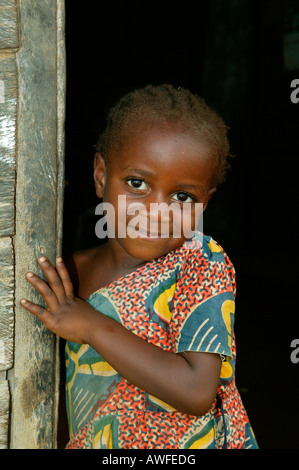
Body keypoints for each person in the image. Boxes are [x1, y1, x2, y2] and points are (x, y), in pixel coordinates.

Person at [20, 84, 258, 449]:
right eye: (137, 183)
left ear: (205, 204)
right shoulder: (69, 274)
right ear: (100, 174)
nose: (156, 211)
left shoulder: (201, 263)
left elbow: (196, 392)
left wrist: (93, 326)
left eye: (182, 196)